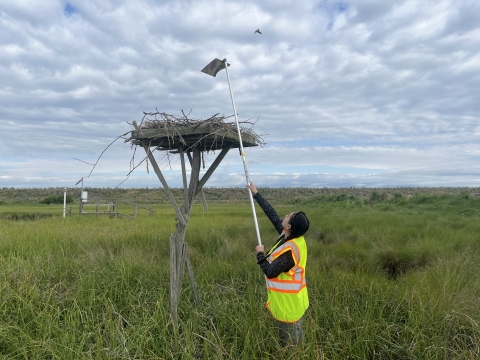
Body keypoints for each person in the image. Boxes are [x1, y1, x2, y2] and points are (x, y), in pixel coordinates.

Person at [247, 182, 310, 347]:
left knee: (289, 347)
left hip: (289, 308)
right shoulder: (291, 236)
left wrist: (260, 253)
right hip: (292, 302)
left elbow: (270, 271)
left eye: (289, 216)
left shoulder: (290, 251)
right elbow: (272, 215)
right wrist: (256, 194)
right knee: (295, 341)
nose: (286, 215)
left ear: (289, 226)